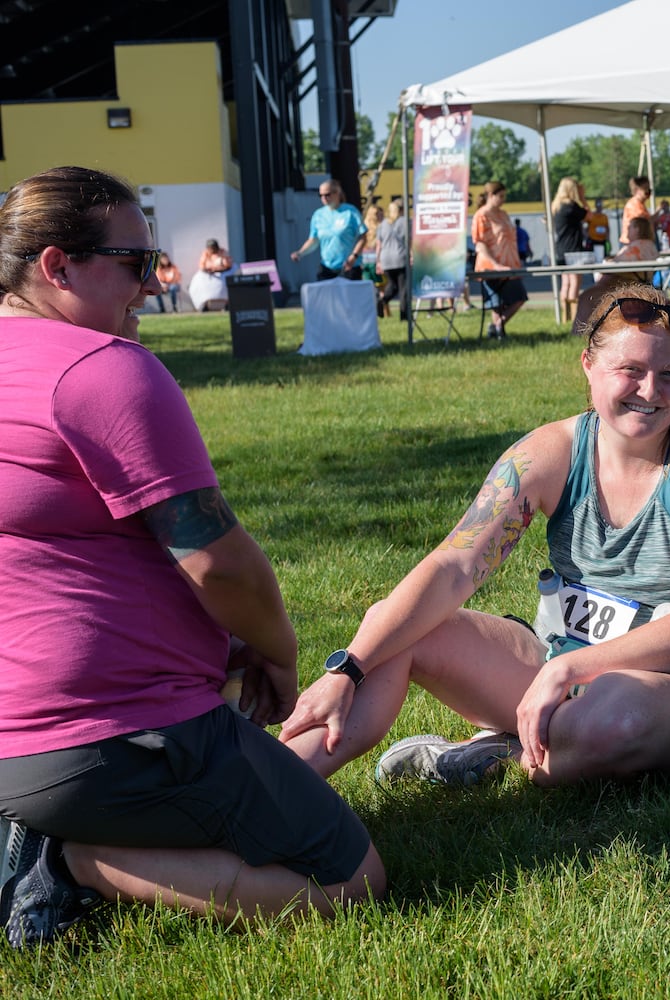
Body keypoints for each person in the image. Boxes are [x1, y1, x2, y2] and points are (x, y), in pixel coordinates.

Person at [0, 165, 385, 949]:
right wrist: (277, 651)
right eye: (135, 264)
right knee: (349, 880)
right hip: (117, 736)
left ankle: (43, 828)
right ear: (57, 265)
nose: (149, 286)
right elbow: (221, 565)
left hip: (24, 737)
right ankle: (71, 862)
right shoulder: (101, 370)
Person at [278, 282, 670, 792]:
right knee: (396, 626)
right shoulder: (548, 454)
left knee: (615, 723)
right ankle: (268, 788)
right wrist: (347, 670)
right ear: (588, 366)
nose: (649, 392)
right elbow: (454, 567)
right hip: (554, 662)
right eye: (631, 371)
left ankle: (505, 754)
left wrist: (569, 669)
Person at [470, 180, 528, 339]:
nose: (503, 199)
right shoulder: (481, 215)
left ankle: (497, 326)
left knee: (519, 297)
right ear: (490, 195)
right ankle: (498, 332)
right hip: (490, 266)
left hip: (509, 265)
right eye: (500, 196)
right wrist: (495, 264)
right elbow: (480, 244)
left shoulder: (503, 214)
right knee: (496, 304)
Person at [290, 178, 367, 281]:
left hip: (349, 267)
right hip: (327, 268)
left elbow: (362, 237)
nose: (324, 198)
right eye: (321, 195)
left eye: (327, 195)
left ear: (337, 193)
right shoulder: (318, 215)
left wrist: (354, 256)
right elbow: (314, 240)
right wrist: (300, 253)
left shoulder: (350, 212)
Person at [551, 177, 590, 326]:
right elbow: (590, 217)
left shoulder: (557, 206)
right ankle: (574, 317)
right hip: (573, 248)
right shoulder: (572, 206)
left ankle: (564, 317)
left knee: (565, 283)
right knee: (575, 281)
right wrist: (583, 199)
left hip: (561, 248)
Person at [375, 197, 408, 321]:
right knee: (403, 289)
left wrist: (378, 261)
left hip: (386, 259)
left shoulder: (383, 224)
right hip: (400, 257)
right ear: (401, 210)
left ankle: (382, 300)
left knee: (392, 286)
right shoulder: (404, 221)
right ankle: (404, 316)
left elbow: (379, 244)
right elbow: (409, 240)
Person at [191, 238, 233, 311]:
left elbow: (228, 264)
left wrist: (220, 266)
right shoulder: (205, 253)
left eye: (213, 247)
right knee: (199, 282)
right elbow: (202, 265)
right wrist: (208, 269)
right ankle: (203, 304)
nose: (211, 250)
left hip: (223, 273)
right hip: (209, 274)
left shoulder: (223, 252)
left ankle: (227, 303)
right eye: (209, 248)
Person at [622, 177, 652, 243]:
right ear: (637, 190)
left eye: (649, 188)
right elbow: (642, 222)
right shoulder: (634, 205)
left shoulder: (641, 204)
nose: (648, 191)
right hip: (632, 242)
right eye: (645, 188)